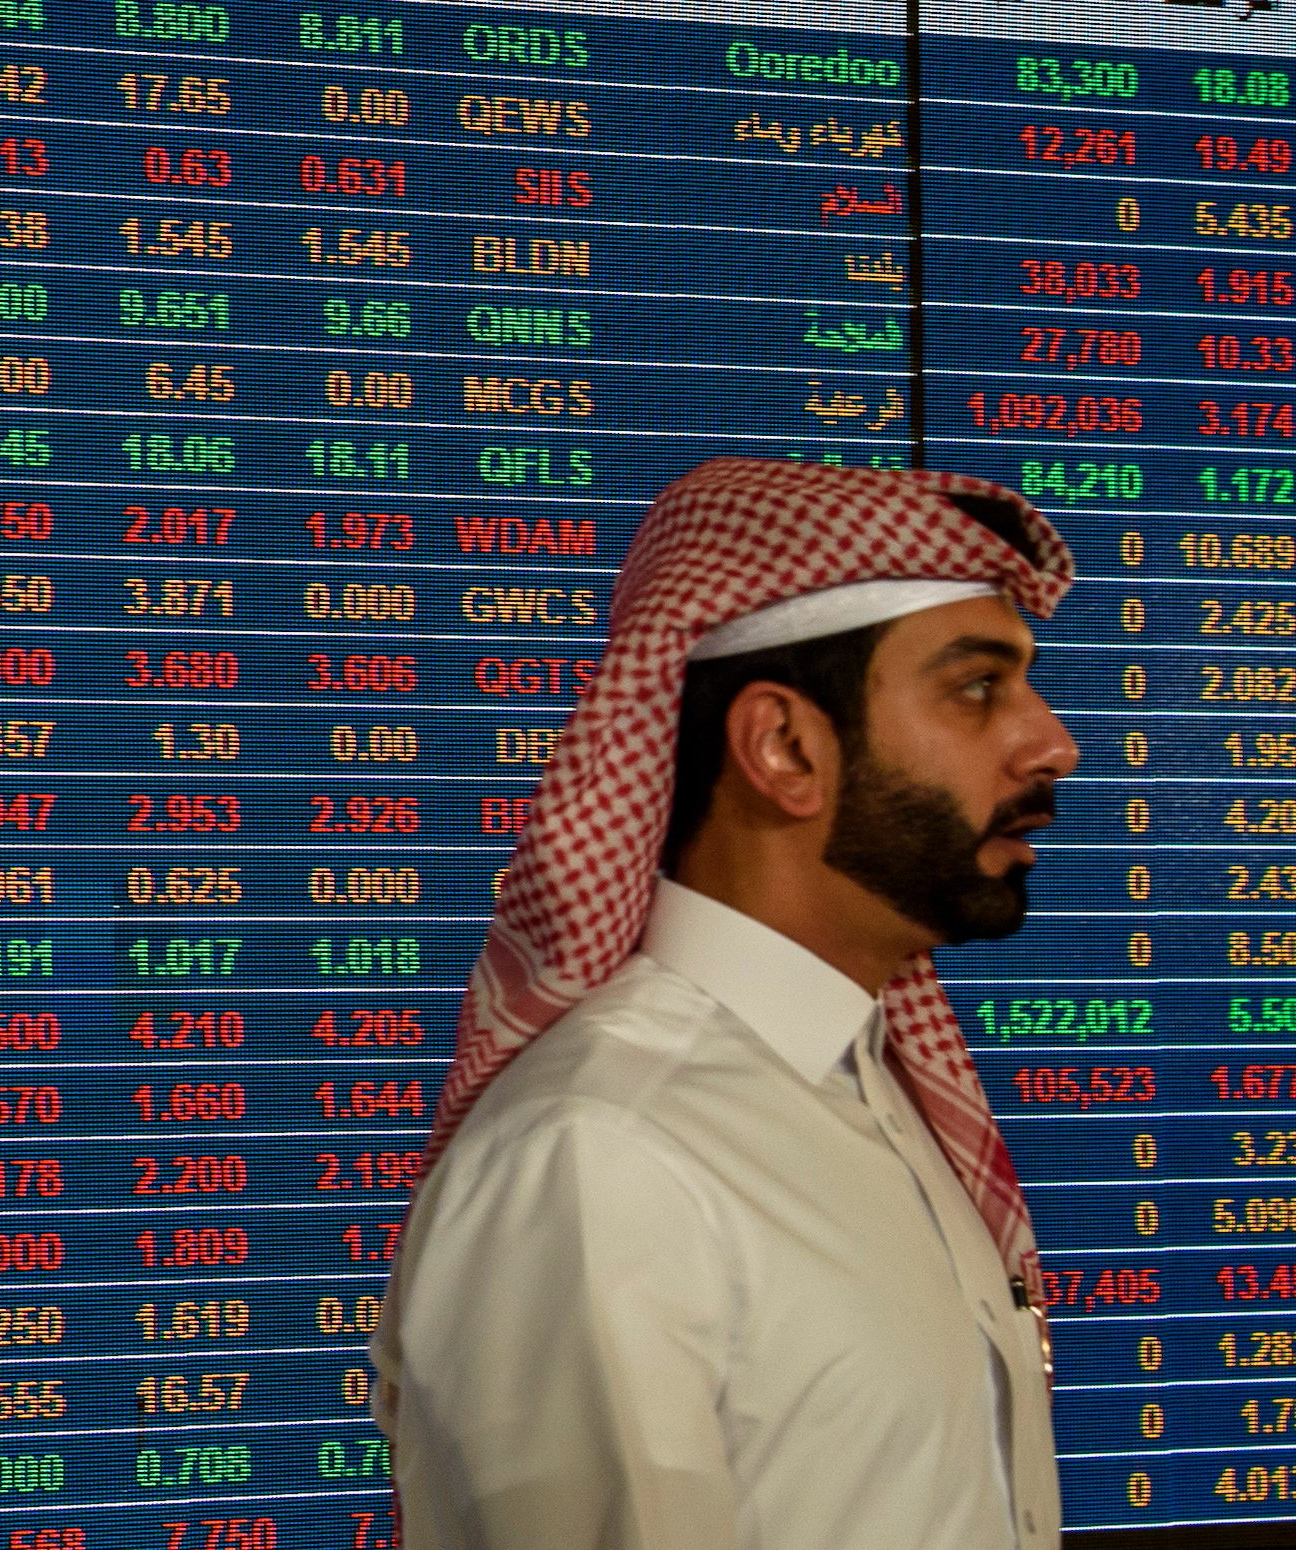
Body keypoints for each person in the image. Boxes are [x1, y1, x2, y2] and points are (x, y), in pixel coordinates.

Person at [372, 456, 1079, 1549]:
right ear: (784, 747)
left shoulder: (882, 1101)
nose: (1051, 743)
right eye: (978, 685)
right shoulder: (602, 1153)